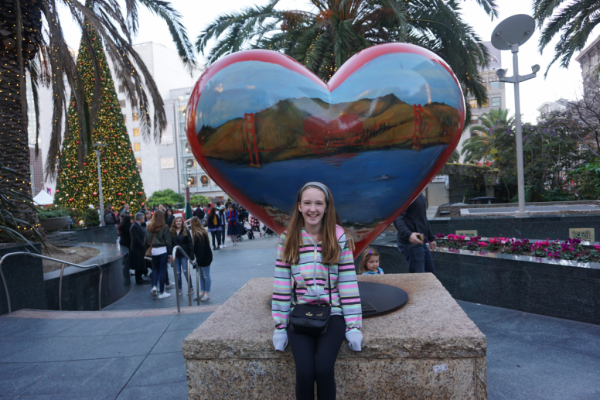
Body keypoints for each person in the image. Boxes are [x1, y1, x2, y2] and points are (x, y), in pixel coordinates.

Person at [271, 182, 362, 400]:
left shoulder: (340, 237)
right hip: (300, 313)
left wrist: (353, 326)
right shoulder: (288, 238)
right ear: (300, 206)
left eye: (319, 203)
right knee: (304, 372)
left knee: (323, 369)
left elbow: (348, 283)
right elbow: (282, 284)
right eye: (308, 203)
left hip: (333, 314)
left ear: (327, 207)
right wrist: (280, 326)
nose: (313, 209)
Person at [394, 193, 436, 273]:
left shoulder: (419, 193)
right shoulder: (405, 193)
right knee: (419, 279)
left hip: (420, 240)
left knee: (429, 275)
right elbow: (397, 217)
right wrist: (409, 235)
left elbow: (423, 218)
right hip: (409, 244)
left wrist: (431, 238)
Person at [144, 210, 173, 299]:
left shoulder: (149, 226)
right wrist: (170, 253)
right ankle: (161, 292)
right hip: (162, 250)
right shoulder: (164, 226)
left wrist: (148, 248)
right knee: (162, 271)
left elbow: (145, 241)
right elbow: (168, 241)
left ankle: (154, 287)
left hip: (153, 251)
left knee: (155, 270)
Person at [190, 217, 213, 302]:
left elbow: (200, 249)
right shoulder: (200, 233)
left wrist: (197, 260)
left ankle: (206, 293)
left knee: (206, 276)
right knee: (202, 275)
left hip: (204, 258)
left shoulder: (199, 234)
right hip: (203, 257)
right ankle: (202, 292)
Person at [170, 216, 194, 295]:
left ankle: (190, 287)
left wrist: (191, 256)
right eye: (177, 221)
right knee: (177, 273)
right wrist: (170, 255)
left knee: (185, 271)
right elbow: (170, 244)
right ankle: (179, 288)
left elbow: (190, 243)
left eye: (180, 221)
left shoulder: (186, 231)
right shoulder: (171, 231)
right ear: (174, 222)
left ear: (182, 222)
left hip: (184, 254)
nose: (178, 223)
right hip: (176, 255)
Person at [130, 213, 151, 284]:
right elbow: (136, 239)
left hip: (140, 249)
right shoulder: (134, 227)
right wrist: (144, 246)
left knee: (140, 264)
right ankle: (138, 279)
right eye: (143, 218)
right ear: (140, 219)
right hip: (137, 250)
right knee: (138, 265)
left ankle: (140, 278)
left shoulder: (138, 226)